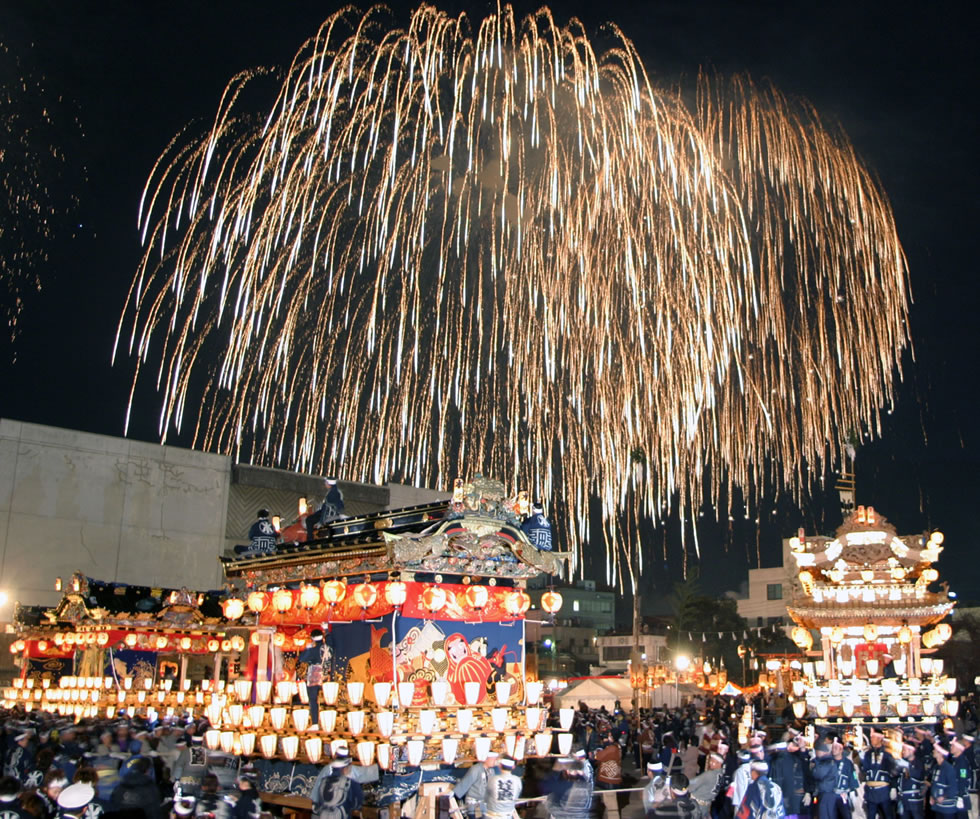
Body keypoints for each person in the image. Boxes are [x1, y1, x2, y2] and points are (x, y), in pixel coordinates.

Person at [452, 751, 500, 819]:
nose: (494, 762)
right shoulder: (475, 769)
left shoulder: (492, 771)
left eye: (495, 759)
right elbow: (465, 783)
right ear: (486, 759)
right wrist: (453, 794)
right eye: (493, 759)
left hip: (485, 803)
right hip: (474, 803)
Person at [863, 729, 896, 819]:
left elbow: (892, 772)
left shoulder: (887, 754)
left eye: (873, 737)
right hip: (870, 790)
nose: (871, 739)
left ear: (880, 739)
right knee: (871, 816)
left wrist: (893, 787)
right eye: (871, 737)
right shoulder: (868, 754)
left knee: (888, 815)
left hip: (883, 789)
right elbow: (865, 769)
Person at [298, 629, 329, 723]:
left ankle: (315, 722)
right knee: (328, 699)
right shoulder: (328, 647)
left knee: (313, 698)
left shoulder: (313, 650)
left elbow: (302, 658)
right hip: (327, 673)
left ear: (312, 638)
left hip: (315, 674)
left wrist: (308, 648)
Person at [897, 740, 926, 819]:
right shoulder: (903, 763)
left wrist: (907, 766)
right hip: (903, 798)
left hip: (914, 799)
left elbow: (918, 774)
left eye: (905, 750)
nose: (903, 752)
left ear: (911, 750)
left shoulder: (918, 763)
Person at [932, 744, 961, 816]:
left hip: (947, 807)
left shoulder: (949, 768)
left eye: (935, 749)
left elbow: (953, 787)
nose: (933, 751)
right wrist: (932, 796)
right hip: (937, 805)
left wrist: (944, 796)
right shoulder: (936, 767)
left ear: (940, 753)